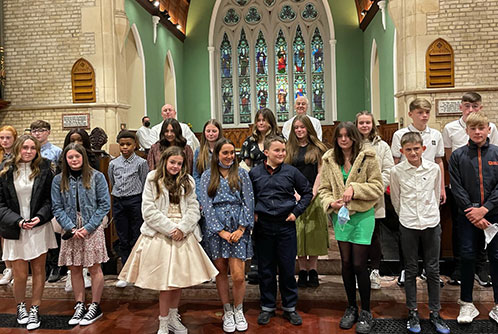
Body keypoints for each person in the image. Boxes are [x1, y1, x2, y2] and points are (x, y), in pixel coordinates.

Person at [118, 146, 218, 334]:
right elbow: (148, 210)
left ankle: (173, 317)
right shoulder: (153, 178)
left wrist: (182, 228)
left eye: (179, 163)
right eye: (172, 162)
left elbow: (193, 208)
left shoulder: (187, 180)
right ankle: (163, 322)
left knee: (177, 281)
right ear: (165, 161)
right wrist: (171, 229)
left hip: (183, 233)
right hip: (161, 234)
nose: (176, 166)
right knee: (165, 283)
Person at [318, 122, 383, 334]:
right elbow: (324, 189)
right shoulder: (329, 158)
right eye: (340, 136)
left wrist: (355, 188)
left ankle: (366, 310)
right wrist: (330, 203)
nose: (343, 140)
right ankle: (351, 307)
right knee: (345, 263)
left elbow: (377, 187)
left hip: (363, 215)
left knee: (358, 264)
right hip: (341, 217)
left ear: (354, 137)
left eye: (347, 136)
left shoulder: (368, 157)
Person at [390, 132, 450, 334]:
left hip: (431, 222)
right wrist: (405, 216)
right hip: (408, 223)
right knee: (411, 269)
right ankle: (413, 311)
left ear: (423, 149)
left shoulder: (433, 169)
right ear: (402, 151)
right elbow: (396, 200)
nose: (413, 152)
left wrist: (429, 214)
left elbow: (435, 194)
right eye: (408, 149)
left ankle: (435, 312)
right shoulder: (397, 171)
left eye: (416, 148)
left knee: (433, 270)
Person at [250, 136, 312, 326]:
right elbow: (248, 196)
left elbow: (308, 192)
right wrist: (252, 212)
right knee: (266, 269)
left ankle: (289, 307)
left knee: (286, 268)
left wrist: (296, 212)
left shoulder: (291, 172)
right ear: (266, 152)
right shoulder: (254, 173)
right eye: (277, 150)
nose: (281, 154)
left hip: (286, 225)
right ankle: (267, 306)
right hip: (264, 226)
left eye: (283, 150)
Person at [0, 134, 57, 330]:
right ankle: (20, 307)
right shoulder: (5, 171)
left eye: (33, 148)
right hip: (15, 227)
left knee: (39, 269)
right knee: (20, 273)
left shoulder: (44, 169)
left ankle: (35, 308)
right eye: (25, 148)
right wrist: (17, 221)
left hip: (38, 226)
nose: (29, 152)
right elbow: (0, 204)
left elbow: (50, 200)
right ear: (18, 149)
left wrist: (39, 217)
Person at [51, 143, 111, 326]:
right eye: (70, 157)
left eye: (77, 156)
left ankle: (95, 305)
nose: (74, 160)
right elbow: (57, 206)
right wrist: (69, 227)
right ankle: (79, 305)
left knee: (94, 268)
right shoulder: (58, 179)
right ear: (65, 160)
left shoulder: (97, 177)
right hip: (70, 227)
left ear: (83, 157)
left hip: (91, 226)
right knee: (75, 268)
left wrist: (89, 227)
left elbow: (104, 205)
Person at [199, 138, 254, 333]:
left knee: (238, 276)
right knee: (221, 272)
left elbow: (249, 201)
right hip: (216, 230)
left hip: (238, 227)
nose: (230, 156)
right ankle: (227, 310)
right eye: (225, 153)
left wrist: (241, 229)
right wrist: (220, 231)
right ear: (217, 155)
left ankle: (239, 309)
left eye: (232, 153)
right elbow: (205, 205)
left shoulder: (242, 174)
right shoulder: (207, 176)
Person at [449, 112, 498, 325]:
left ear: (488, 129)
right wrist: (472, 211)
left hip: (493, 216)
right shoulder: (458, 156)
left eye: (481, 128)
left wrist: (485, 209)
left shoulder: (497, 153)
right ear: (466, 131)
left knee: (496, 258)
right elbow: (456, 187)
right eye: (473, 129)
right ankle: (467, 303)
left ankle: (497, 304)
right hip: (467, 216)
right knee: (467, 257)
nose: (477, 132)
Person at [390, 98, 446, 287]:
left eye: (427, 112)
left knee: (431, 229)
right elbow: (396, 162)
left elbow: (439, 161)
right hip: (407, 183)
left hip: (429, 183)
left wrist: (442, 187)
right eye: (420, 112)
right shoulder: (400, 134)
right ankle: (406, 269)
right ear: (411, 114)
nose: (424, 116)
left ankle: (430, 272)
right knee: (407, 230)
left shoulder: (436, 134)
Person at [443, 92, 495, 287]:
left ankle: (481, 267)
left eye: (475, 106)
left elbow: (492, 153)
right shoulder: (450, 128)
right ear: (461, 107)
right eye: (467, 106)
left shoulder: (490, 127)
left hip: (486, 189)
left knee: (485, 228)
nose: (471, 110)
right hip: (462, 187)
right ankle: (459, 267)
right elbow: (449, 158)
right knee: (459, 228)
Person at [285, 114, 328, 288]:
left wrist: (312, 193)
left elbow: (321, 171)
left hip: (314, 195)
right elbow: (286, 171)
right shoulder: (289, 148)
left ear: (308, 128)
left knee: (313, 233)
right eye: (296, 127)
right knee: (298, 233)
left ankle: (313, 270)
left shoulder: (317, 148)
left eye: (302, 127)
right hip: (294, 196)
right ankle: (302, 270)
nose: (299, 130)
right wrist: (295, 193)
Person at [355, 111, 395, 289]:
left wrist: (376, 188)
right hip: (355, 196)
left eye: (367, 123)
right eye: (361, 123)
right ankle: (360, 272)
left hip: (374, 196)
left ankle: (375, 271)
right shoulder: (352, 144)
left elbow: (388, 170)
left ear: (373, 125)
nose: (364, 126)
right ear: (356, 125)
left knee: (373, 235)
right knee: (357, 236)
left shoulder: (382, 146)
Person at [108, 131, 149, 288]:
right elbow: (112, 181)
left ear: (135, 145)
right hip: (119, 201)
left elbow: (145, 182)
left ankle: (138, 272)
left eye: (128, 144)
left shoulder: (141, 163)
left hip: (135, 201)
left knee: (136, 236)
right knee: (122, 237)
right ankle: (125, 273)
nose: (125, 147)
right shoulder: (113, 164)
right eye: (122, 144)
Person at [30, 120, 64, 283]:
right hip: (34, 196)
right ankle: (42, 266)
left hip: (52, 193)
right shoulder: (28, 151)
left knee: (54, 231)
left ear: (48, 132)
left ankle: (56, 265)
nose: (37, 133)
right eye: (34, 130)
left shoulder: (56, 152)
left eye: (41, 130)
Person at [0, 125, 18, 286]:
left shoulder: (18, 157)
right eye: (2, 138)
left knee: (12, 236)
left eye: (8, 138)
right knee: (3, 237)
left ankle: (17, 270)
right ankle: (8, 268)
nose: (4, 141)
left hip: (12, 201)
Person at [193, 119, 223, 198]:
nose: (211, 134)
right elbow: (196, 176)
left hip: (222, 189)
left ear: (219, 132)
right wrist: (200, 195)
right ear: (204, 132)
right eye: (208, 131)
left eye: (214, 131)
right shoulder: (198, 151)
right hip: (204, 189)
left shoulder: (224, 149)